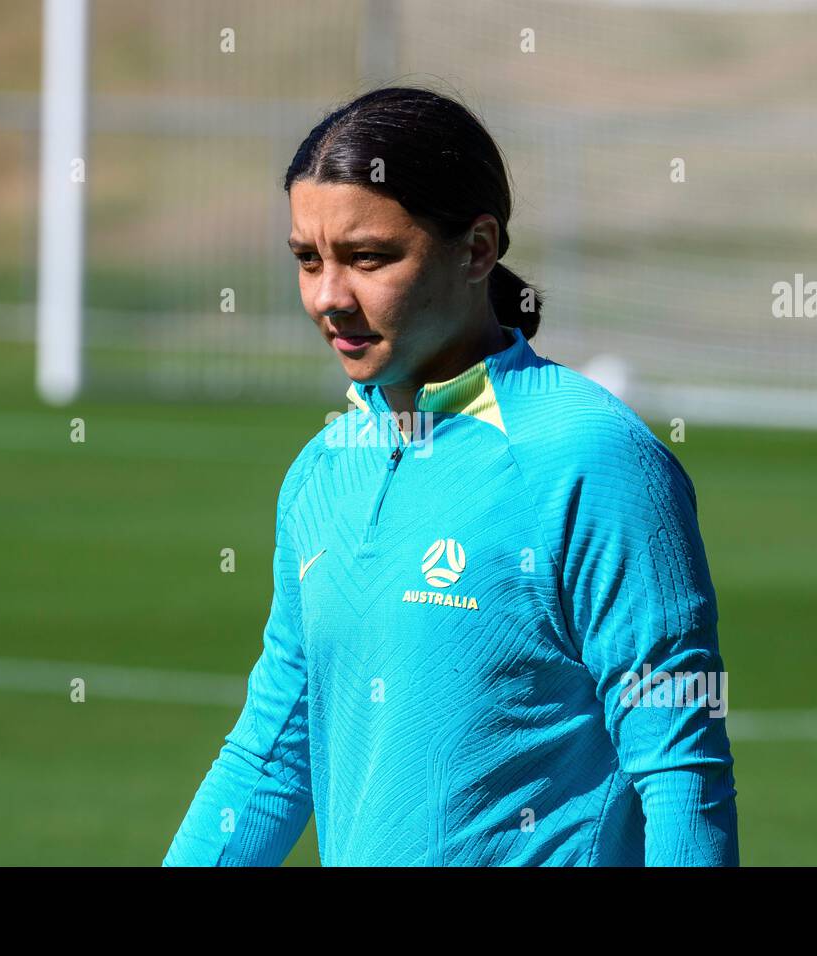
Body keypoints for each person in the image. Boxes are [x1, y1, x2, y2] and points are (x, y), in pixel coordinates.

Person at [163, 85, 738, 866]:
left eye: (368, 258)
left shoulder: (593, 459)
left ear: (476, 249)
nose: (329, 296)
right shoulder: (322, 471)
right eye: (308, 259)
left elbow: (679, 768)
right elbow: (270, 757)